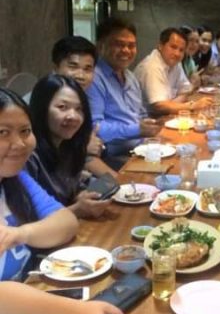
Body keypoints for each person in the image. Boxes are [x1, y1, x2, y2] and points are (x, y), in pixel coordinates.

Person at [0, 88, 125, 314]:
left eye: (25, 131)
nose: (19, 143)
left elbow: (66, 221)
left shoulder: (14, 178)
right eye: (3, 133)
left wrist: (21, 233)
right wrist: (72, 313)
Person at [26, 74, 111, 219]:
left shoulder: (69, 146)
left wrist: (80, 196)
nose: (73, 116)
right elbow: (27, 220)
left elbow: (70, 191)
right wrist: (77, 209)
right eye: (62, 107)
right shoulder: (28, 156)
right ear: (41, 109)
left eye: (79, 109)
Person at [86, 18, 161, 165]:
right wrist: (137, 130)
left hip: (140, 149)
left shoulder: (130, 77)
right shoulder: (94, 78)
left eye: (131, 45)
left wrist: (150, 125)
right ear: (100, 46)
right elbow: (95, 127)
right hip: (113, 157)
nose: (126, 50)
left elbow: (141, 115)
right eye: (119, 44)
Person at [51, 36, 118, 178]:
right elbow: (38, 153)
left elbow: (88, 157)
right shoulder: (42, 101)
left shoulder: (82, 100)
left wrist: (120, 181)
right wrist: (82, 148)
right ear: (56, 68)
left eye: (88, 69)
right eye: (73, 66)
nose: (81, 75)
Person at [135, 27, 213, 115]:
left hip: (165, 115)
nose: (177, 53)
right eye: (173, 47)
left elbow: (186, 91)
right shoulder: (152, 66)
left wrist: (171, 105)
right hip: (147, 119)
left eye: (181, 50)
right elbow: (160, 106)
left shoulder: (175, 63)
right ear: (160, 45)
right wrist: (192, 106)